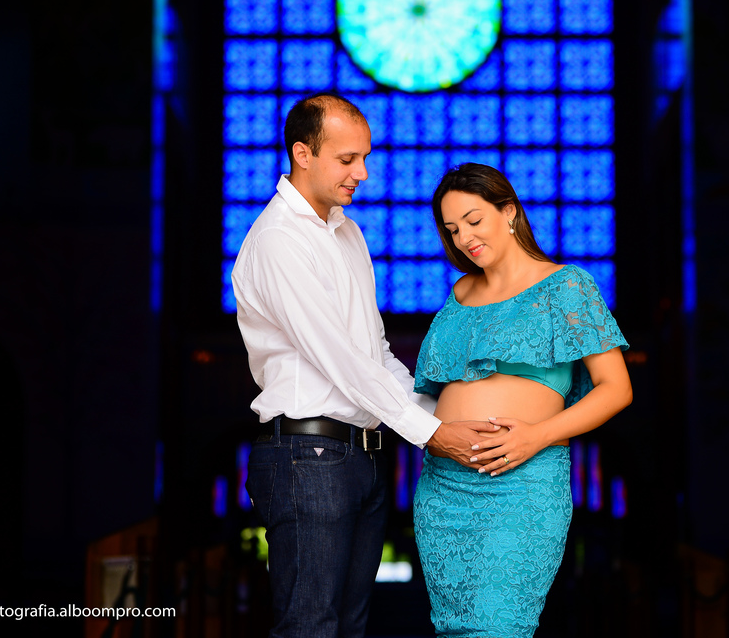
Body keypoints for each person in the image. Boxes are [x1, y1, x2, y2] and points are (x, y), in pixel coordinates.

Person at [231, 96, 503, 638]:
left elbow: (374, 351)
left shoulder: (347, 232)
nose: (364, 173)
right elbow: (341, 361)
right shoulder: (280, 240)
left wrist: (440, 416)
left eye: (366, 157)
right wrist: (433, 434)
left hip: (359, 457)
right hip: (306, 459)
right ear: (302, 153)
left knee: (350, 628)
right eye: (348, 159)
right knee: (310, 627)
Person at [412, 163, 634, 638]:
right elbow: (426, 393)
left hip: (522, 485)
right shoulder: (458, 294)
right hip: (442, 490)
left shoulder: (566, 286)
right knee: (453, 630)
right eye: (452, 230)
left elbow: (617, 388)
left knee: (498, 626)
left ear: (508, 211)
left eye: (474, 220)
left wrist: (536, 437)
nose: (464, 238)